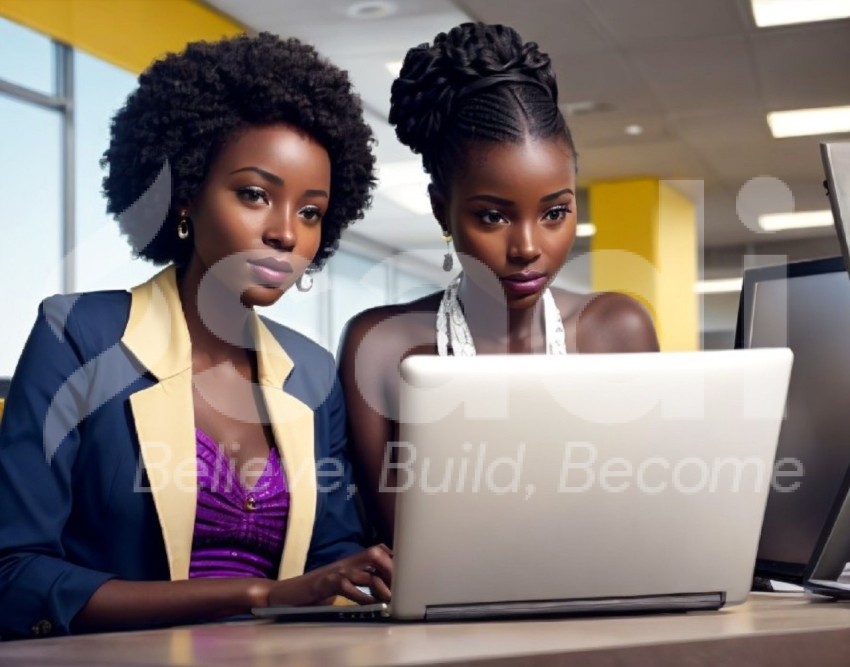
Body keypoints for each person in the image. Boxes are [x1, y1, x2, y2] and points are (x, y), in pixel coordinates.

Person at [0, 33, 392, 639]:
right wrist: (260, 594)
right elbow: (15, 574)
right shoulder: (78, 336)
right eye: (255, 195)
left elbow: (328, 560)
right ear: (184, 194)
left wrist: (368, 578)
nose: (286, 234)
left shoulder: (312, 374)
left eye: (311, 212)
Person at [338, 23, 660, 545]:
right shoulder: (380, 346)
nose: (528, 247)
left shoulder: (617, 331)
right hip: (442, 623)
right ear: (443, 211)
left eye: (555, 212)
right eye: (493, 217)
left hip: (605, 613)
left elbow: (650, 515)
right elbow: (400, 544)